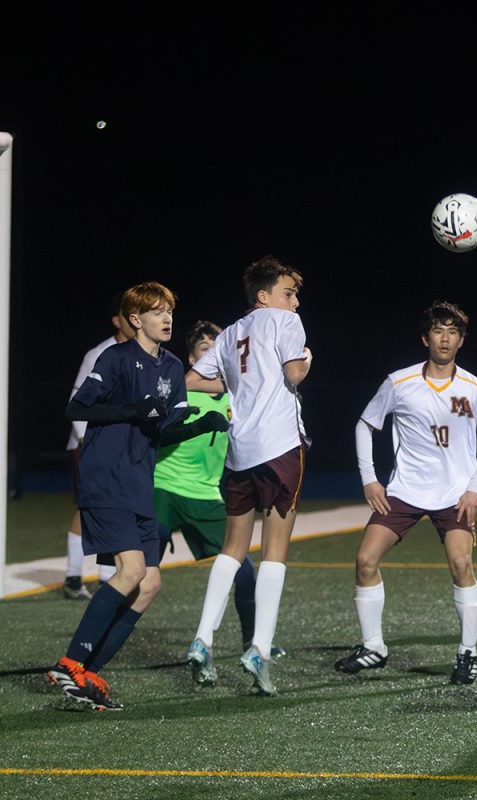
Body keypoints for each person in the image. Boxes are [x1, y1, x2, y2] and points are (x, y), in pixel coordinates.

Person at [47, 282, 217, 711]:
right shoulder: (116, 358)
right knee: (132, 569)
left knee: (150, 582)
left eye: (170, 311)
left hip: (140, 480)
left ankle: (86, 673)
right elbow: (77, 408)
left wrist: (205, 424)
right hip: (106, 476)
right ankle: (70, 663)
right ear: (135, 319)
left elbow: (168, 426)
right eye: (157, 312)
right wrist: (130, 410)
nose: (167, 318)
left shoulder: (174, 367)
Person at [336, 301, 477, 685]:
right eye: (438, 331)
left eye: (452, 332)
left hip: (455, 495)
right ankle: (373, 647)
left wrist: (474, 489)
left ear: (461, 340)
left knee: (462, 566)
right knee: (364, 560)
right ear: (425, 338)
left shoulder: (475, 389)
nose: (445, 338)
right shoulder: (399, 382)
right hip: (404, 491)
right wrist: (369, 479)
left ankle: (467, 653)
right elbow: (365, 425)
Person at [185, 257, 311, 696]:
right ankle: (258, 646)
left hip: (240, 451)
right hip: (278, 446)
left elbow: (193, 381)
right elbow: (295, 373)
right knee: (275, 551)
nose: (294, 302)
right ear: (265, 296)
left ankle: (203, 638)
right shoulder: (285, 323)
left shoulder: (228, 334)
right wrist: (308, 360)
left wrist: (236, 388)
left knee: (232, 548)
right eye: (288, 292)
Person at [152, 320, 275, 684]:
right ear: (193, 358)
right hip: (164, 489)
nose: (212, 355)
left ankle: (252, 644)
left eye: (216, 349)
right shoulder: (182, 392)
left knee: (246, 573)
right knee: (139, 577)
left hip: (207, 496)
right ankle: (94, 653)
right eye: (204, 349)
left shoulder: (237, 397)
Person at [62, 294, 135, 599]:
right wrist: (88, 443)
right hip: (93, 444)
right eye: (129, 315)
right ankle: (74, 576)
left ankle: (107, 576)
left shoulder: (144, 354)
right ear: (118, 321)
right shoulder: (100, 354)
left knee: (118, 507)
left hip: (124, 447)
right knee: (88, 508)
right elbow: (77, 401)